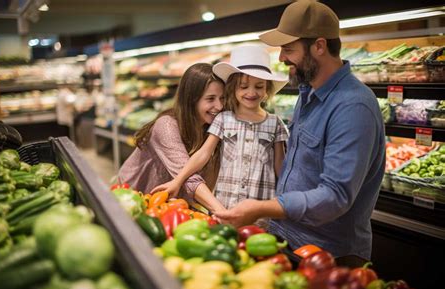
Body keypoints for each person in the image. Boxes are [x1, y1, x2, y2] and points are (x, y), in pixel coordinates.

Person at [215, 0, 386, 262]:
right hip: (288, 240)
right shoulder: (308, 94)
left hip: (327, 255)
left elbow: (335, 196)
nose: (282, 58)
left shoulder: (353, 106)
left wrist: (261, 207)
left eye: (288, 49)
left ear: (319, 46)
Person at [152, 45, 289, 227]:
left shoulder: (276, 123)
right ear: (233, 88)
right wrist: (178, 180)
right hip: (225, 204)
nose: (251, 92)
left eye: (259, 86)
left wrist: (286, 200)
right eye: (244, 86)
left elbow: (281, 166)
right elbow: (203, 154)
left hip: (261, 207)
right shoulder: (224, 119)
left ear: (267, 89)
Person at [118, 63, 226, 213]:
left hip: (168, 202)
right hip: (133, 198)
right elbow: (190, 178)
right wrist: (221, 212)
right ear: (192, 99)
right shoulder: (167, 126)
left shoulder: (210, 128)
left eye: (223, 98)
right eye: (210, 99)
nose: (219, 106)